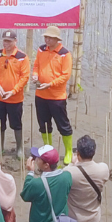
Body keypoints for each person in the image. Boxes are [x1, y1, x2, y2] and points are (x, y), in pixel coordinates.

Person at [33, 26, 74, 165]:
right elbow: (37, 65)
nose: (47, 40)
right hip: (40, 95)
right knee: (43, 124)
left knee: (63, 125)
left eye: (50, 38)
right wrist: (35, 75)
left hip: (57, 97)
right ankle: (48, 149)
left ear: (57, 39)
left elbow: (65, 75)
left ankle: (68, 151)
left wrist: (50, 84)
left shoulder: (64, 54)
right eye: (46, 37)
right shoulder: (41, 49)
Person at [0, 31, 29, 157]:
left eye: (9, 41)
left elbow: (25, 77)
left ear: (15, 41)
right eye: (4, 41)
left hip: (15, 99)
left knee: (16, 123)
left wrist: (13, 91)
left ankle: (19, 148)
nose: (6, 44)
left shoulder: (22, 57)